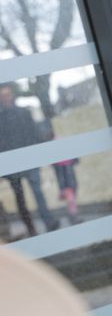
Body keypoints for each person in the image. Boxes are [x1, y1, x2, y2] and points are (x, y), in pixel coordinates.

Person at [0, 84, 59, 235]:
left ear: (12, 95)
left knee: (38, 192)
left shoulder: (24, 112)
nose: (6, 98)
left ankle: (49, 222)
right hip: (12, 166)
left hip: (29, 160)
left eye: (7, 94)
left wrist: (40, 152)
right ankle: (31, 228)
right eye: (3, 96)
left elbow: (35, 133)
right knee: (20, 198)